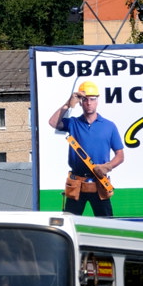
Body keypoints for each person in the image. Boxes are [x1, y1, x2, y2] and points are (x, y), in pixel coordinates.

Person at [48, 80, 125, 217]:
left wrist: (107, 167)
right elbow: (53, 122)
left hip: (99, 182)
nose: (89, 103)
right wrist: (67, 104)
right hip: (77, 183)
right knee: (70, 222)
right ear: (80, 102)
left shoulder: (109, 126)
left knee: (107, 223)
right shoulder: (73, 123)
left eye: (92, 99)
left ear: (97, 100)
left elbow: (120, 155)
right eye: (84, 100)